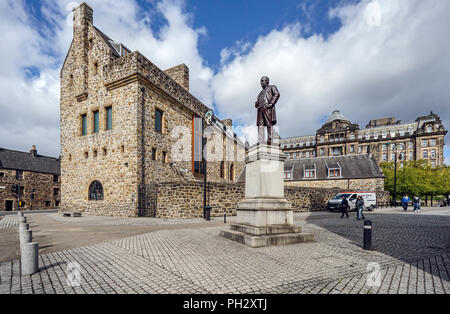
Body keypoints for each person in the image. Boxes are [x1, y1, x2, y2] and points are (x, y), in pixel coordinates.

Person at [255, 76, 280, 145]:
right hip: (260, 109)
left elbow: (277, 94)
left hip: (267, 107)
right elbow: (258, 101)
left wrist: (271, 103)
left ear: (267, 81)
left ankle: (270, 137)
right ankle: (261, 140)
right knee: (260, 125)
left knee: (269, 123)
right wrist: (256, 103)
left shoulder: (272, 87)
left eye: (263, 81)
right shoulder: (260, 93)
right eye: (261, 81)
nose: (261, 82)